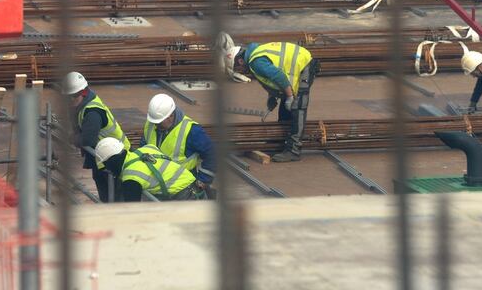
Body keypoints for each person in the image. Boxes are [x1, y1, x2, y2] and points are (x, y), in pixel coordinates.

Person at [221, 34, 318, 162]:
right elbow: (272, 78)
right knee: (285, 107)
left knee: (297, 108)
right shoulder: (255, 55)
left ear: (240, 61)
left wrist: (289, 97)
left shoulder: (256, 62)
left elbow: (279, 76)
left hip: (305, 65)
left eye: (238, 69)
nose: (240, 71)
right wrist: (274, 96)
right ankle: (281, 141)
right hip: (300, 63)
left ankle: (293, 151)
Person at [65, 71, 131, 202]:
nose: (70, 100)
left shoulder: (93, 112)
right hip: (102, 156)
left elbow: (88, 139)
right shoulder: (82, 105)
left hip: (116, 158)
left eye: (73, 96)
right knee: (106, 196)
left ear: (83, 93)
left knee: (114, 198)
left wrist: (72, 138)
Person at [143, 93, 216, 190]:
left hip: (182, 184)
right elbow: (144, 147)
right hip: (155, 181)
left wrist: (203, 179)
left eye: (159, 122)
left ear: (170, 116)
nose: (156, 125)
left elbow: (212, 154)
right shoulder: (151, 124)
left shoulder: (191, 130)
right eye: (154, 122)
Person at [95, 137, 202, 202]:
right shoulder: (148, 148)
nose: (107, 169)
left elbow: (132, 211)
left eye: (106, 164)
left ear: (111, 161)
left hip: (183, 196)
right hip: (193, 185)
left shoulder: (131, 178)